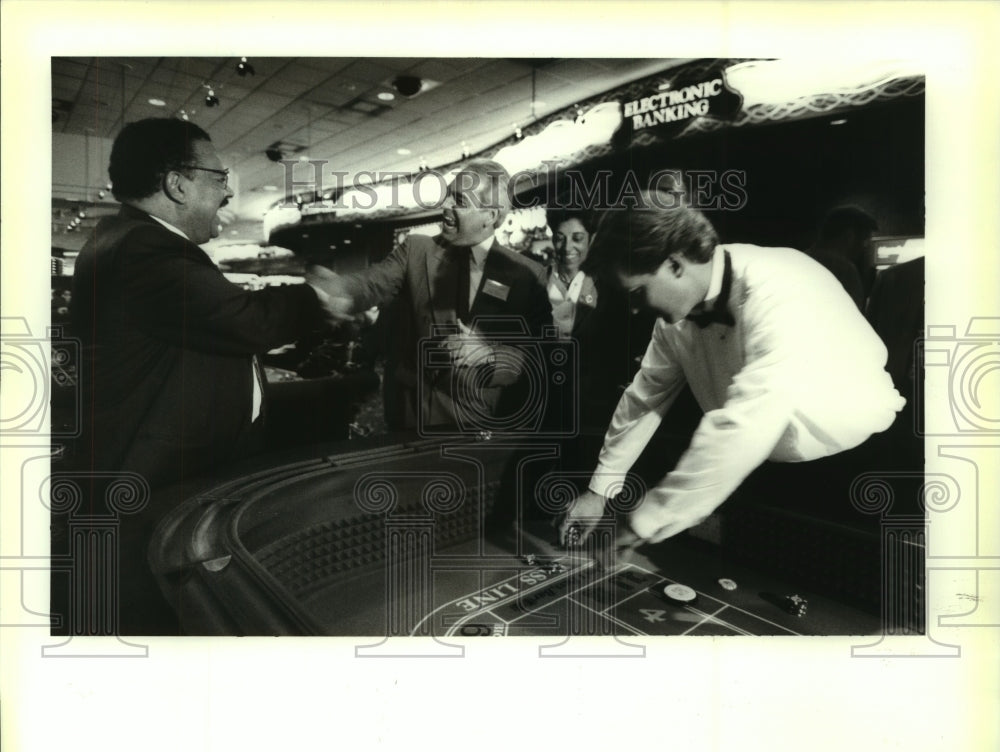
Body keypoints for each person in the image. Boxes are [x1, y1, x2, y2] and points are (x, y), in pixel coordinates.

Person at [560, 190, 905, 545]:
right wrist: (599, 491)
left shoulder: (780, 287)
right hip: (756, 465)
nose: (633, 310)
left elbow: (751, 417)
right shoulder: (671, 322)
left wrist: (646, 520)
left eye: (636, 294)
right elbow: (644, 397)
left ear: (675, 264)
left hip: (854, 471)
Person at [69, 117, 333, 489]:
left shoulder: (126, 239)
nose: (227, 194)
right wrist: (322, 296)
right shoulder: (143, 248)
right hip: (154, 486)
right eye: (219, 178)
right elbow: (248, 320)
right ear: (177, 185)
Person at [306, 160, 552, 432]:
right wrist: (340, 290)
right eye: (447, 194)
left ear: (490, 216)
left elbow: (538, 356)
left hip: (477, 428)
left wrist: (489, 355)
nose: (445, 205)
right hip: (410, 418)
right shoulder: (416, 250)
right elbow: (372, 283)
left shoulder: (528, 275)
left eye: (458, 199)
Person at [545, 207, 653, 467]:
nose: (567, 246)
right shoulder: (536, 281)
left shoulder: (611, 287)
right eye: (559, 237)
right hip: (544, 413)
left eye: (577, 238)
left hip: (594, 417)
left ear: (591, 238)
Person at [807, 204, 879, 310]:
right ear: (849, 236)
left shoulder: (800, 259)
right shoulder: (845, 270)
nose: (865, 247)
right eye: (864, 240)